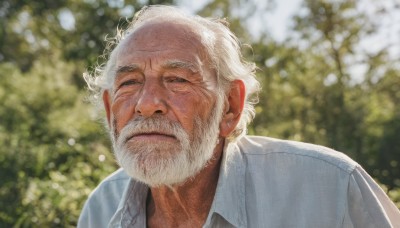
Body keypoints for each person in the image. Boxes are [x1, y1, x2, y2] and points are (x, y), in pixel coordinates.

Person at [78, 5, 400, 228]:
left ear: (229, 107)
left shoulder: (332, 190)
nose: (147, 104)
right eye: (129, 82)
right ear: (109, 112)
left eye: (177, 79)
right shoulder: (100, 210)